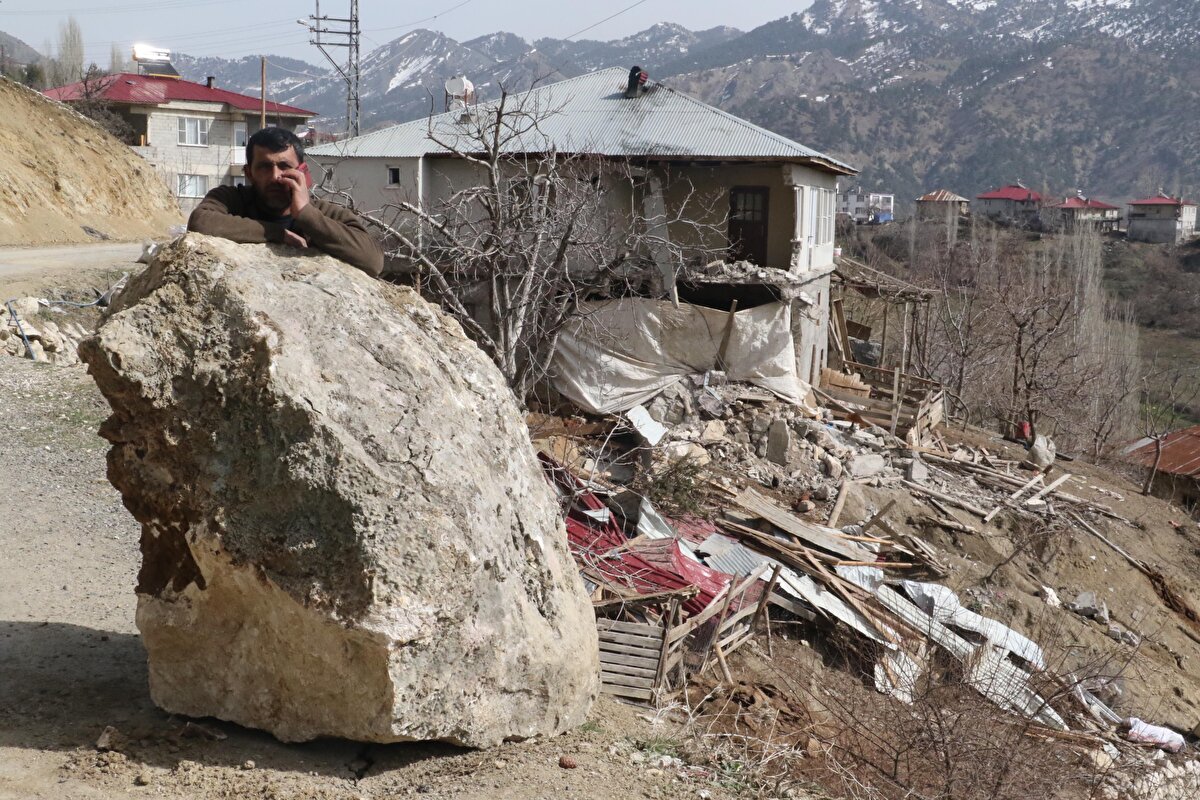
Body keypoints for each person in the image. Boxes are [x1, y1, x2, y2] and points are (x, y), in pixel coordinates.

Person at [187, 127, 384, 277]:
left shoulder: (323, 212)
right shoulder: (231, 199)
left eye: (284, 166)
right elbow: (200, 222)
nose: (275, 176)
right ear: (249, 174)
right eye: (264, 167)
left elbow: (373, 260)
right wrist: (277, 234)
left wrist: (306, 214)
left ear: (302, 171)